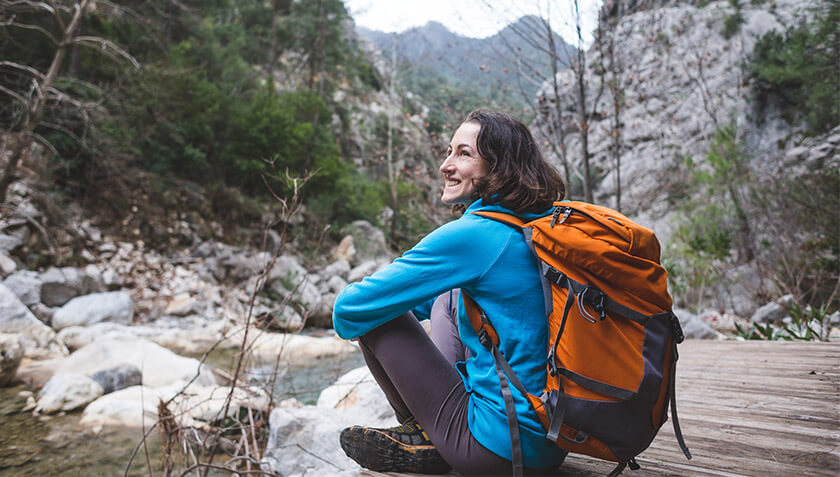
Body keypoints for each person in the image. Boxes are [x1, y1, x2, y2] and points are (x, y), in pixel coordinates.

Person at [332, 109, 568, 475]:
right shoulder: (535, 227)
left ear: (498, 168)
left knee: (374, 317)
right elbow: (436, 304)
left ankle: (424, 435)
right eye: (448, 151)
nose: (446, 165)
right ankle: (430, 434)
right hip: (549, 440)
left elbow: (348, 311)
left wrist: (392, 289)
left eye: (463, 154)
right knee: (448, 296)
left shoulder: (474, 234)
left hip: (498, 449)